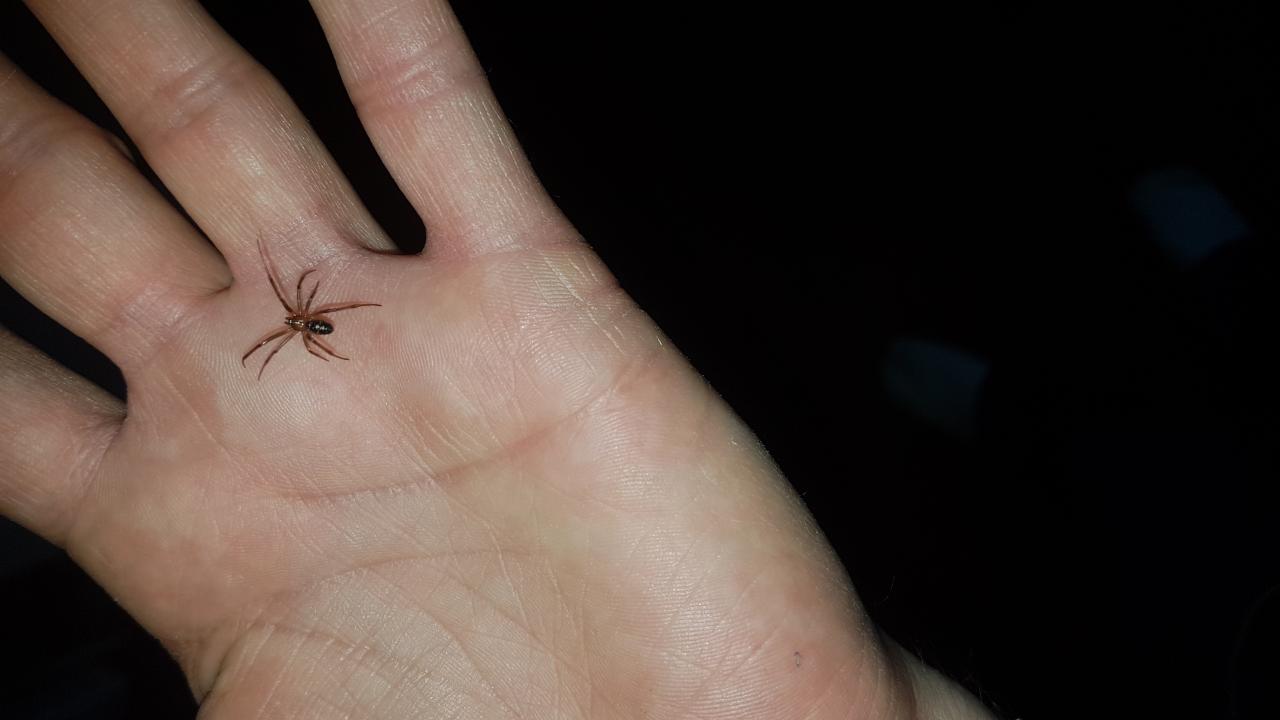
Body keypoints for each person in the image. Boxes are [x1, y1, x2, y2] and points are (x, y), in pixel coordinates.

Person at [0, 1, 992, 717]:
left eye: (299, 326)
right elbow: (302, 318)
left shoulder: (309, 318)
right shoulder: (297, 322)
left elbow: (319, 312)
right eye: (299, 328)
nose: (298, 323)